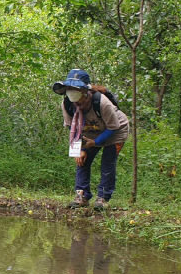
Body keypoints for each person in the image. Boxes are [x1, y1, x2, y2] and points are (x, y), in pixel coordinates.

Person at [52, 69, 129, 210]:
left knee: (108, 163)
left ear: (86, 93)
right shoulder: (67, 105)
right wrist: (80, 150)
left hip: (116, 130)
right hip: (91, 133)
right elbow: (72, 129)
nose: (77, 105)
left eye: (80, 100)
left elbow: (113, 127)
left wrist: (96, 142)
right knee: (82, 161)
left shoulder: (102, 103)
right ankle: (82, 195)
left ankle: (103, 198)